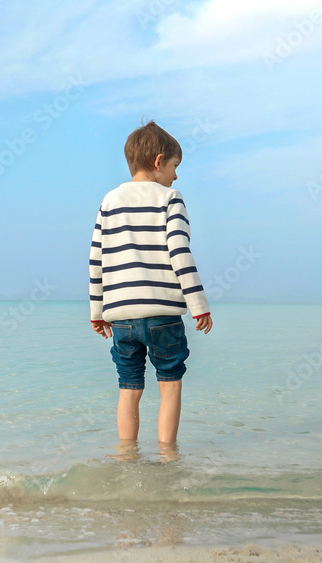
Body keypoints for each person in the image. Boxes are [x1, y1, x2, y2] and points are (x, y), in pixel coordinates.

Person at [88, 120, 213, 447]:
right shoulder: (170, 198)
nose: (176, 175)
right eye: (175, 166)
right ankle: (167, 456)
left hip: (121, 318)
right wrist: (199, 306)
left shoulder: (109, 201)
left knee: (128, 387)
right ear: (159, 161)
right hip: (162, 316)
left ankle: (127, 456)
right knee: (170, 384)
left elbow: (97, 259)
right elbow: (180, 253)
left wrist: (97, 311)